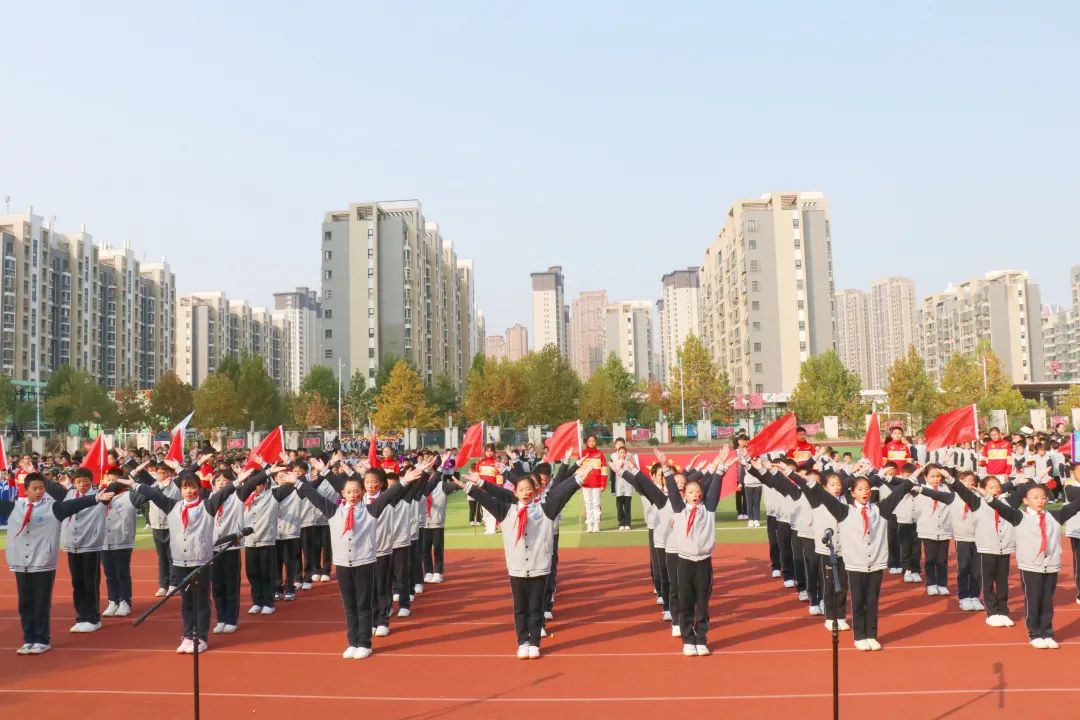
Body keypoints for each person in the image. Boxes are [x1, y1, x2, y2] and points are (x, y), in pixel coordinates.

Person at [291, 459, 423, 659]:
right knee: (349, 606)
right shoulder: (333, 511)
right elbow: (313, 496)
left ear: (361, 493)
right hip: (344, 564)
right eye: (348, 492)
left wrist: (405, 481)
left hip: (364, 563)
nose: (352, 495)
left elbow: (389, 495)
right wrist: (297, 482)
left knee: (363, 604)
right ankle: (352, 641)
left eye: (356, 492)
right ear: (342, 494)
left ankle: (364, 643)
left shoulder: (370, 511)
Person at [457, 465, 584, 658]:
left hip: (539, 567)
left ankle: (534, 642)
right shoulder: (506, 511)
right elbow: (487, 500)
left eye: (529, 490)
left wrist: (577, 480)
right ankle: (522, 641)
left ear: (535, 493)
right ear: (515, 492)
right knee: (520, 608)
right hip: (517, 568)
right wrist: (469, 487)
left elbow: (562, 495)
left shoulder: (545, 510)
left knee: (536, 607)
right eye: (521, 489)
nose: (525, 492)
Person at [120, 467, 245, 653]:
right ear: (180, 490)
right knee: (186, 602)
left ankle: (201, 637)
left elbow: (225, 493)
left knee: (201, 601)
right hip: (180, 562)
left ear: (199, 488)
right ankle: (187, 635)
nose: (189, 491)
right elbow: (154, 495)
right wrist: (136, 485)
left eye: (193, 487)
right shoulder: (173, 506)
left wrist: (237, 481)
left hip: (201, 562)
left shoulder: (207, 505)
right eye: (185, 487)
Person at [804, 474, 915, 650]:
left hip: (876, 562)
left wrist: (910, 480)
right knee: (858, 600)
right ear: (853, 493)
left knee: (872, 600)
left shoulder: (880, 510)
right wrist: (803, 480)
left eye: (868, 489)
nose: (865, 492)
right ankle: (859, 635)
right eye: (860, 489)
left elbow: (897, 495)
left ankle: (871, 634)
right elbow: (824, 496)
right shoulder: (844, 511)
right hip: (855, 563)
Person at [4, 472, 109, 655]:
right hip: (20, 562)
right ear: (26, 489)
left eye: (41, 488)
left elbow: (74, 504)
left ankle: (42, 639)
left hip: (43, 562)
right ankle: (29, 639)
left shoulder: (53, 508)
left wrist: (96, 498)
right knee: (25, 604)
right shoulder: (15, 507)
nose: (38, 492)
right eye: (34, 489)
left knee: (41, 602)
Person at [985, 477, 1080, 649]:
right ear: (1025, 500)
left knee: (1047, 601)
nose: (1040, 501)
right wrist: (988, 498)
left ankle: (1047, 632)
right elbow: (1001, 508)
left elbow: (1074, 506)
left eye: (1043, 497)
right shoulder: (1018, 516)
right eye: (1035, 497)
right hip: (1030, 566)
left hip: (1050, 565)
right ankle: (1035, 633)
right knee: (1034, 600)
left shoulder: (1055, 515)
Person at [664, 455, 725, 655]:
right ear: (685, 494)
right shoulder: (679, 509)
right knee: (686, 601)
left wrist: (720, 468)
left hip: (703, 562)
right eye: (691, 492)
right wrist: (665, 467)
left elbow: (715, 489)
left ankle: (701, 638)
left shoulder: (708, 510)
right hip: (685, 561)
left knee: (702, 602)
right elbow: (672, 490)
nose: (695, 495)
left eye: (698, 491)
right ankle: (688, 639)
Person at [945, 473, 1020, 627]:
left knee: (1002, 582)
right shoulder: (977, 502)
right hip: (986, 548)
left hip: (1004, 549)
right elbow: (961, 490)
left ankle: (1003, 611)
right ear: (983, 489)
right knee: (987, 582)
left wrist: (1032, 479)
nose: (995, 490)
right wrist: (950, 477)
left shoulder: (1008, 501)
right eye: (991, 487)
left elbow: (1026, 492)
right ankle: (992, 612)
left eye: (998, 487)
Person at [61, 467, 108, 633]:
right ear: (73, 483)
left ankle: (93, 618)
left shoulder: (101, 496)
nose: (82, 484)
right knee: (77, 582)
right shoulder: (69, 495)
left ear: (91, 481)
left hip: (90, 545)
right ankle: (81, 616)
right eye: (78, 482)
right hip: (72, 545)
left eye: (85, 481)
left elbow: (115, 489)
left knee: (90, 582)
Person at [100, 465, 149, 619]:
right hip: (103, 541)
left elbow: (149, 492)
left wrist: (136, 477)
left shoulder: (130, 496)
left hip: (122, 541)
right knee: (109, 573)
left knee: (122, 572)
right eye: (109, 481)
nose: (111, 484)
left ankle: (124, 601)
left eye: (115, 481)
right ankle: (112, 600)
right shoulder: (100, 496)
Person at [211, 468, 246, 634]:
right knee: (217, 586)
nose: (222, 485)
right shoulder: (210, 499)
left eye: (226, 482)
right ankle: (221, 618)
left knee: (231, 585)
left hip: (230, 547)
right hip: (213, 548)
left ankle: (231, 619)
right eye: (219, 481)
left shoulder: (236, 498)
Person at [141, 461, 181, 597]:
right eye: (160, 473)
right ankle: (163, 585)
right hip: (157, 526)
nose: (163, 475)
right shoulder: (154, 486)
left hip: (172, 526)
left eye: (166, 472)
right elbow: (144, 488)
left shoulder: (177, 485)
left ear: (171, 473)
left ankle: (174, 584)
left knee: (172, 556)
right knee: (161, 557)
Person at [579, 435, 607, 533]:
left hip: (597, 483)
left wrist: (603, 484)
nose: (592, 442)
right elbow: (579, 469)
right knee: (588, 503)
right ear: (586, 442)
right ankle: (589, 524)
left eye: (593, 441)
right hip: (585, 483)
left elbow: (604, 470)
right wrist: (580, 481)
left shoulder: (600, 454)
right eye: (589, 441)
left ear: (596, 442)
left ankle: (596, 523)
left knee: (596, 503)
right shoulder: (582, 454)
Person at [474, 444, 504, 535]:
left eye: (491, 451)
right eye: (487, 451)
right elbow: (476, 474)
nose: (489, 453)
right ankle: (488, 527)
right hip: (482, 489)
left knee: (491, 508)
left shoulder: (496, 463)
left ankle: (492, 529)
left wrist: (499, 488)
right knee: (484, 510)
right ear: (485, 451)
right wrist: (475, 484)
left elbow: (499, 476)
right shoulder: (480, 462)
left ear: (494, 452)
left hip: (493, 489)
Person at [611, 441, 634, 531]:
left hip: (628, 487)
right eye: (621, 452)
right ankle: (621, 523)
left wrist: (630, 460)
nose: (622, 454)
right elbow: (615, 472)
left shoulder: (629, 462)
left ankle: (627, 523)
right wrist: (618, 465)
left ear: (626, 453)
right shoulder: (616, 462)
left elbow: (633, 472)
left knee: (627, 506)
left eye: (624, 452)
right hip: (618, 487)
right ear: (618, 454)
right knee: (619, 506)